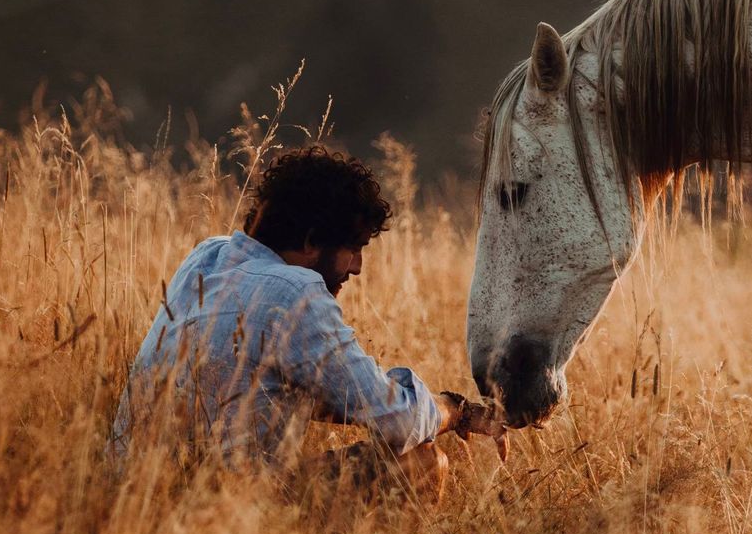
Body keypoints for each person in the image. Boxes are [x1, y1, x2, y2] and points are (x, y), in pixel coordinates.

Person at [111, 145, 500, 497]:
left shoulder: (207, 256)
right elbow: (397, 419)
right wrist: (453, 409)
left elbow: (276, 391)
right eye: (354, 248)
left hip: (137, 490)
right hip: (228, 506)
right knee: (421, 462)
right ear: (312, 241)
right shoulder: (294, 291)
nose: (358, 267)